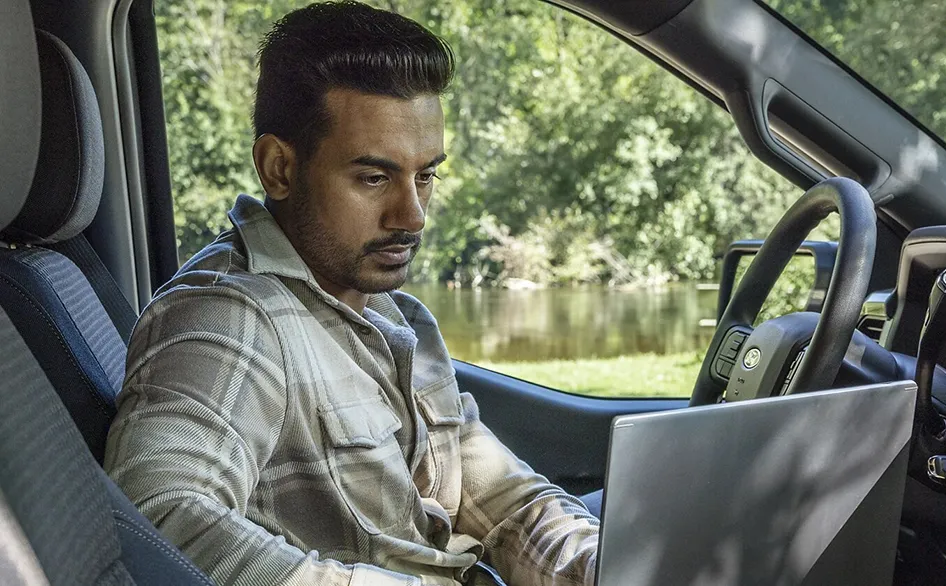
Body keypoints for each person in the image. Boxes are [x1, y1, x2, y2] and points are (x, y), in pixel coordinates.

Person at [103, 3, 599, 585]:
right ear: (279, 168)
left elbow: (499, 497)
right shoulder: (232, 316)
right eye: (374, 177)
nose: (411, 216)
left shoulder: (389, 310)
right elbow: (155, 519)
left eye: (426, 175)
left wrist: (607, 564)